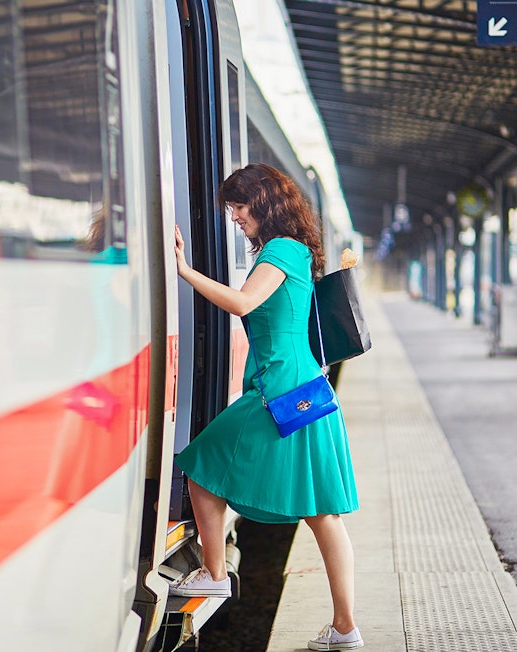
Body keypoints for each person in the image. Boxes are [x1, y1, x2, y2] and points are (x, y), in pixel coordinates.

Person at [169, 164, 363, 650]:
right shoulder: (294, 251)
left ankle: (214, 572)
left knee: (201, 463)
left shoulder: (280, 250)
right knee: (322, 514)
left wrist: (183, 270)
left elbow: (242, 304)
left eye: (238, 206)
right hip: (302, 391)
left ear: (264, 202)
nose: (234, 217)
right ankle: (345, 627)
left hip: (281, 394)